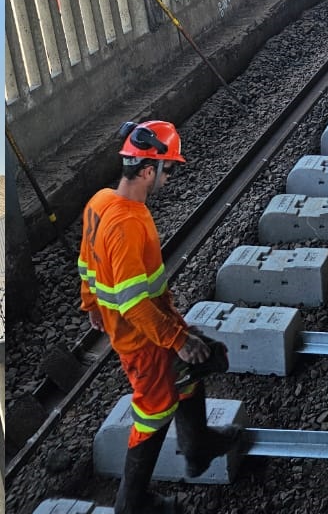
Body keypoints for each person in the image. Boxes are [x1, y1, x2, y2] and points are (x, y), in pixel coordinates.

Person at [78, 120, 242, 514]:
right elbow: (134, 304)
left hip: (148, 322)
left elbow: (87, 263)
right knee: (153, 412)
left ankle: (198, 447)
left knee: (189, 371)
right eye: (170, 169)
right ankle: (132, 504)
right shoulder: (129, 223)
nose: (171, 177)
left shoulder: (100, 202)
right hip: (142, 337)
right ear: (149, 170)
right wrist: (179, 340)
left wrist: (92, 305)